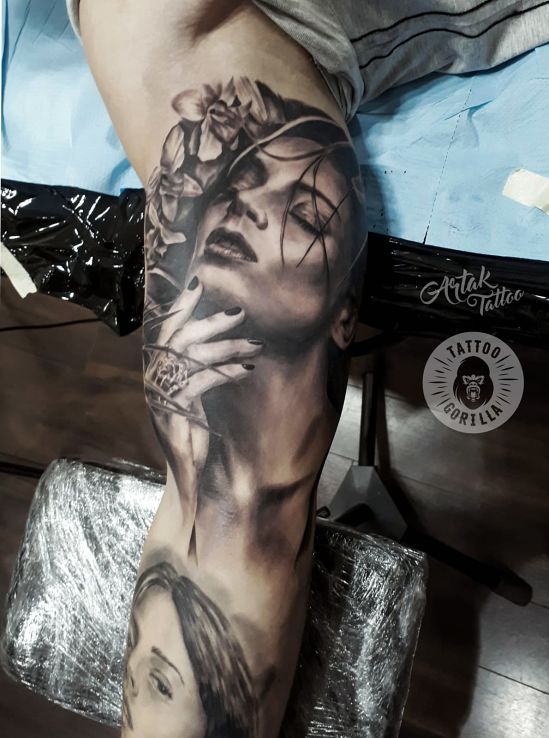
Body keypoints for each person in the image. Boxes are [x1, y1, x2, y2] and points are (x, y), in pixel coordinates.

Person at [73, 1, 549, 736]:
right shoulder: (190, 39)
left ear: (339, 311)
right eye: (248, 173)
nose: (246, 206)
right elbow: (223, 529)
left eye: (301, 214)